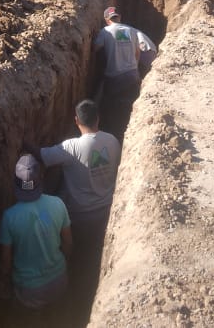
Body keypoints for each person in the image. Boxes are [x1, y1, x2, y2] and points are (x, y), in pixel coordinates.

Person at [31, 99, 122, 302]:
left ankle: (74, 292)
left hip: (78, 217)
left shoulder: (70, 147)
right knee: (95, 252)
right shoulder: (113, 141)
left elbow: (41, 155)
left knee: (76, 252)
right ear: (98, 118)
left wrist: (23, 142)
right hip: (107, 211)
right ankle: (92, 283)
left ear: (76, 120)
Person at [0, 154, 73, 313]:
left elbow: (6, 260)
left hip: (28, 290)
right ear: (41, 179)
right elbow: (68, 243)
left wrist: (4, 282)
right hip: (59, 281)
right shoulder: (58, 204)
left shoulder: (9, 217)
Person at [92, 6, 141, 140]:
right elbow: (137, 53)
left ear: (107, 20)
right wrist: (134, 68)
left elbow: (95, 48)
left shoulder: (105, 31)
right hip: (132, 76)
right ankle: (130, 135)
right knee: (130, 108)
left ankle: (115, 134)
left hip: (115, 78)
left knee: (112, 110)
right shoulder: (131, 30)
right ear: (119, 18)